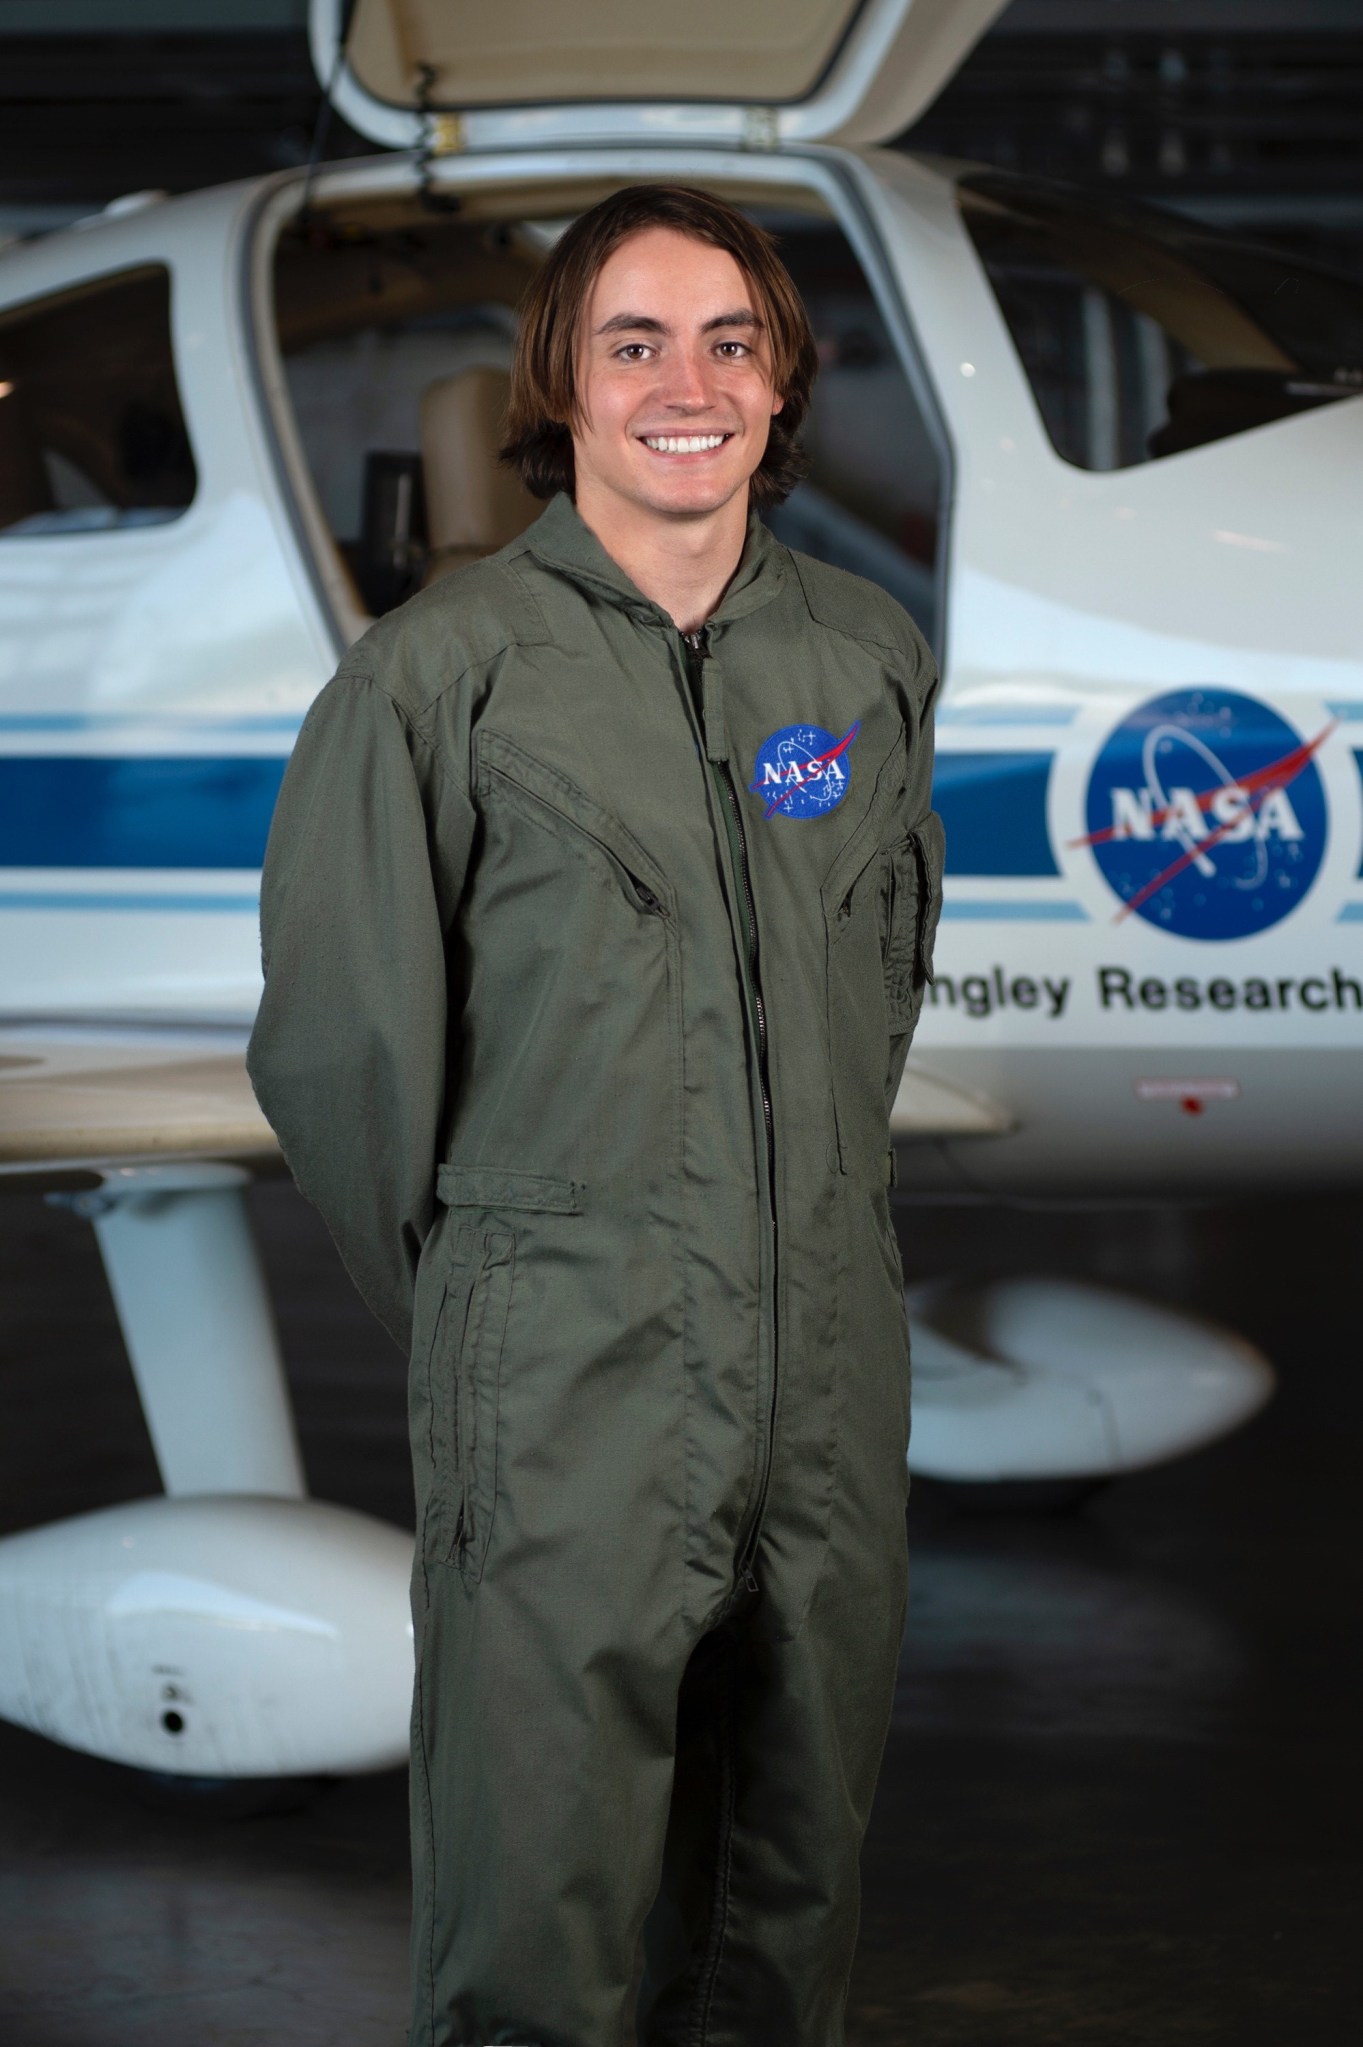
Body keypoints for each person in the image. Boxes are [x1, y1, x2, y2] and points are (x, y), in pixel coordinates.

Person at [247, 182, 943, 2047]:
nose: (686, 385)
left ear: (786, 381)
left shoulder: (865, 662)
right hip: (566, 1382)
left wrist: (794, 1246)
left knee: (784, 1909)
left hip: (824, 1372)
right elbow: (340, 1070)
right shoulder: (435, 684)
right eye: (634, 343)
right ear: (560, 384)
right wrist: (508, 1310)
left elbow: (868, 996)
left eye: (731, 341)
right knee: (536, 1922)